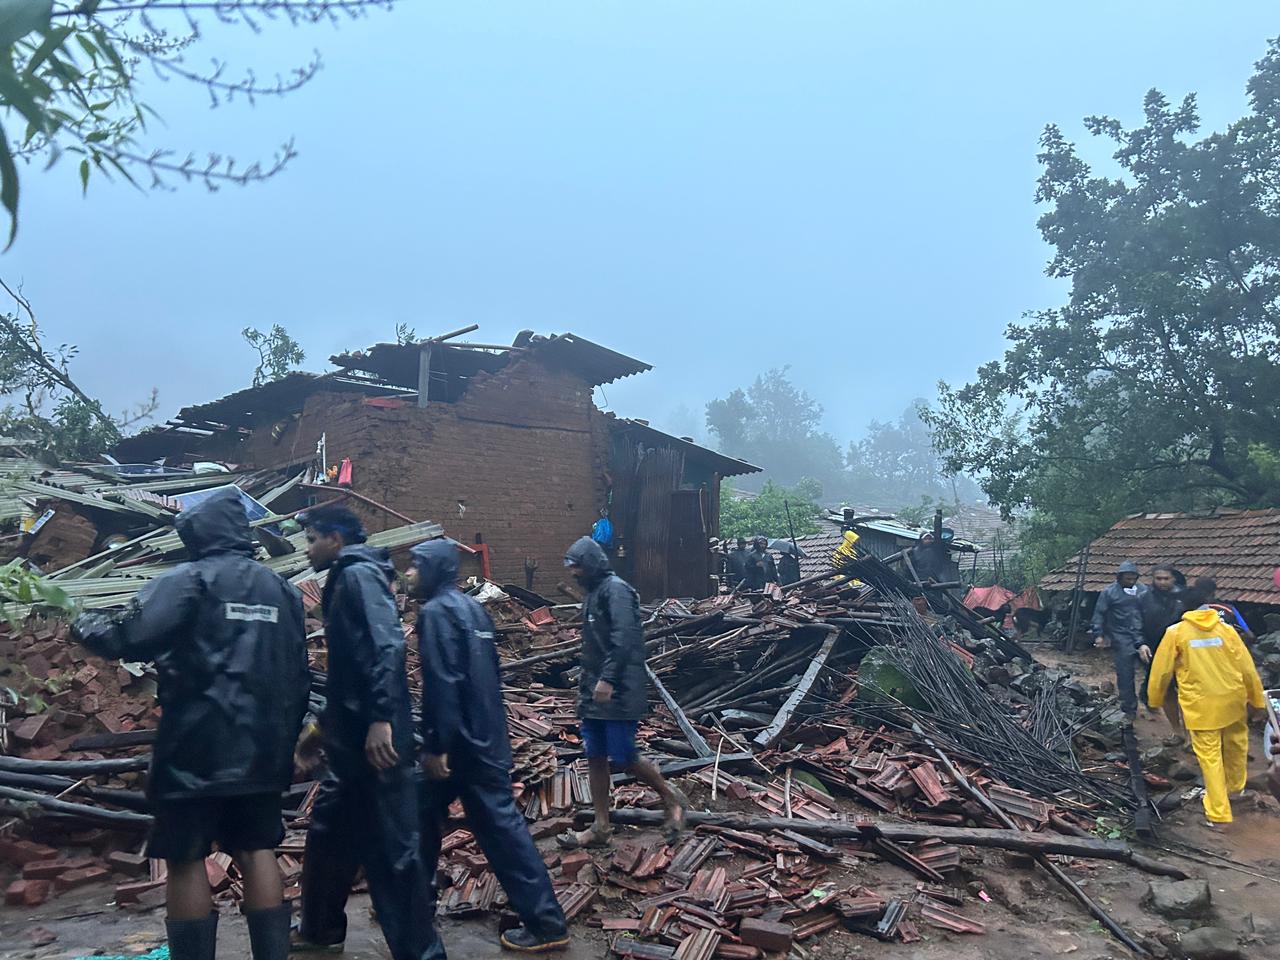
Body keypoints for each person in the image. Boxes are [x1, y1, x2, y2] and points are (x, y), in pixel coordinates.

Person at [71, 489, 309, 960]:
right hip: (263, 748)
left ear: (196, 534)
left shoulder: (188, 580)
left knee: (184, 858)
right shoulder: (281, 590)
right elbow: (296, 672)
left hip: (195, 747)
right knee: (257, 848)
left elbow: (129, 636)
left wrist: (82, 622)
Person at [291, 507, 440, 960]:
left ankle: (422, 954)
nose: (308, 548)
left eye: (313, 538)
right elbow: (349, 672)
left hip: (376, 746)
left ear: (336, 539)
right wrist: (321, 729)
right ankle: (319, 931)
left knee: (393, 854)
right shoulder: (348, 577)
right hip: (350, 744)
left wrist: (380, 719)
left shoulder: (359, 577)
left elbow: (386, 643)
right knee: (328, 833)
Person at [410, 539, 569, 955]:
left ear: (434, 571)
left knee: (498, 832)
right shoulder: (473, 610)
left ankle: (546, 924)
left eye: (414, 566)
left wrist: (438, 746)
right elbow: (488, 676)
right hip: (487, 736)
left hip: (461, 746)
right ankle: (412, 906)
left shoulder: (436, 613)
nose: (408, 574)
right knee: (427, 819)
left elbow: (444, 683)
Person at [558, 537, 688, 849]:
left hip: (618, 690)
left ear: (590, 564)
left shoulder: (615, 590)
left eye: (577, 567)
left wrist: (609, 679)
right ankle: (601, 826)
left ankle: (671, 798)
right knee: (595, 756)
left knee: (624, 755)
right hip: (594, 691)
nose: (573, 574)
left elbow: (625, 638)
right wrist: (588, 687)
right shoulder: (592, 594)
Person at [1147, 584, 1266, 827]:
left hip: (1201, 706)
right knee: (1236, 747)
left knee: (1210, 757)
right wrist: (1257, 700)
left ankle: (1218, 814)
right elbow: (1247, 668)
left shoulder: (1176, 633)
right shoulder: (1226, 629)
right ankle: (1235, 792)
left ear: (1184, 607)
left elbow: (1161, 673)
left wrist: (1155, 699)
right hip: (1233, 700)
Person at [1092, 561, 1149, 720]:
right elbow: (1099, 615)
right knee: (1125, 674)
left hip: (1142, 636)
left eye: (1133, 579)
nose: (1130, 582)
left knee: (1153, 670)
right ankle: (1129, 708)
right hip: (1120, 637)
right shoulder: (1109, 593)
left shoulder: (1144, 591)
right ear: (1119, 577)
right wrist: (1099, 634)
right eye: (1127, 579)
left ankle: (1148, 697)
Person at [1139, 564, 1186, 738]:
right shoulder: (1143, 598)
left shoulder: (1185, 598)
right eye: (1158, 578)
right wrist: (1141, 644)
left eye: (1166, 578)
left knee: (1186, 692)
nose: (1162, 582)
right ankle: (1177, 730)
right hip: (1154, 650)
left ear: (1173, 578)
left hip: (1182, 651)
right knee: (1165, 691)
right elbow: (1136, 624)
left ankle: (1191, 733)